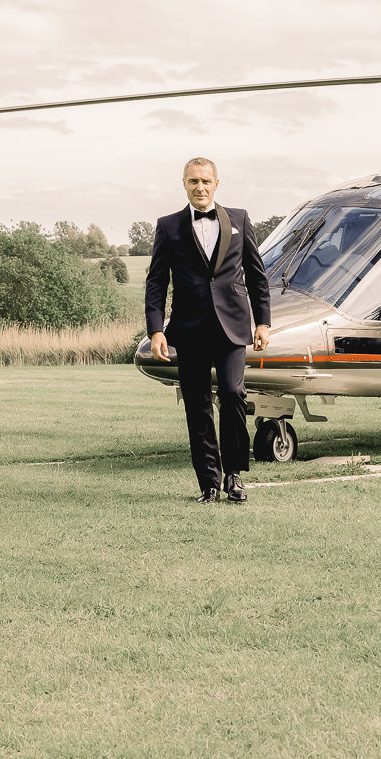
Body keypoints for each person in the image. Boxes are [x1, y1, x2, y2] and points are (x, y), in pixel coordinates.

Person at [145, 158, 271, 503]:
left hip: (232, 326)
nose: (199, 187)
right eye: (193, 182)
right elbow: (156, 282)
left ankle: (233, 475)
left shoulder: (240, 219)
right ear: (184, 185)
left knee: (232, 394)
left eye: (205, 181)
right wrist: (156, 330)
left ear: (217, 183)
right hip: (188, 328)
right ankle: (209, 484)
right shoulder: (168, 226)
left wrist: (263, 322)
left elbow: (257, 275)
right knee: (197, 406)